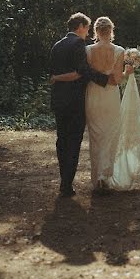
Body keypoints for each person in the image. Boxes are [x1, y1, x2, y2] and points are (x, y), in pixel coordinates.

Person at [51, 16, 140, 193]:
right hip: (110, 97)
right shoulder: (119, 51)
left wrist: (57, 78)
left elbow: (84, 73)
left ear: (95, 31)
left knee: (96, 137)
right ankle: (105, 175)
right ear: (111, 31)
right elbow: (116, 80)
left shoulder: (86, 50)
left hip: (92, 97)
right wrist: (128, 71)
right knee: (110, 136)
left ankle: (97, 178)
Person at [49, 12, 111, 198]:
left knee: (62, 141)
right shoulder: (78, 44)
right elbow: (81, 71)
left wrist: (57, 79)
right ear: (81, 27)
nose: (87, 32)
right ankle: (66, 185)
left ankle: (64, 181)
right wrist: (104, 79)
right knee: (73, 142)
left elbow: (52, 73)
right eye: (87, 28)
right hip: (74, 101)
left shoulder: (57, 45)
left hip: (59, 101)